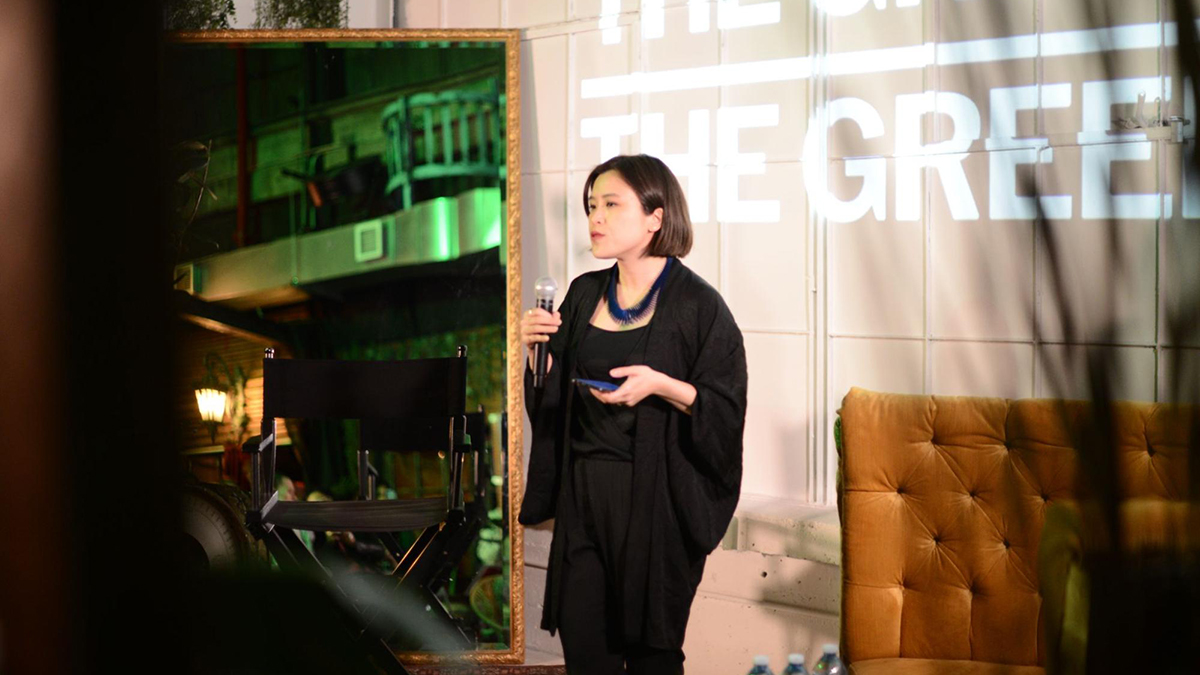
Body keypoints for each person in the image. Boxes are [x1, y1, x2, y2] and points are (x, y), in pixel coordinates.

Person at [519, 154, 748, 674]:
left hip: (655, 501)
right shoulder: (582, 294)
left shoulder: (698, 306)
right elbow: (553, 401)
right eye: (591, 205)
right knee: (585, 653)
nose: (595, 218)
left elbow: (725, 410)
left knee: (652, 656)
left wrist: (664, 386)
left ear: (656, 217)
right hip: (584, 496)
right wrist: (539, 358)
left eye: (611, 204)